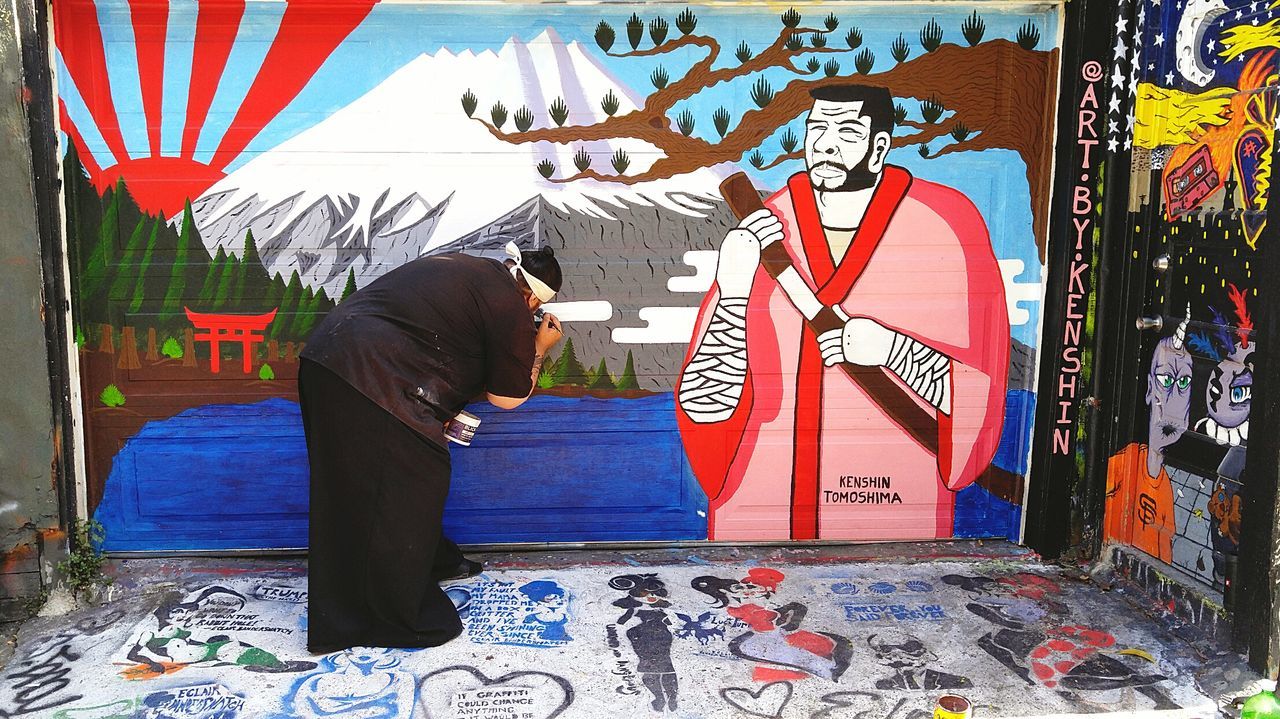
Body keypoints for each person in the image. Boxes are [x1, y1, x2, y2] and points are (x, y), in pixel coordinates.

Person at [675, 83, 1008, 541]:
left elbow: (981, 394)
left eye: (847, 131)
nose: (826, 144)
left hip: (891, 521)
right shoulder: (764, 226)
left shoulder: (946, 222)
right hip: (758, 517)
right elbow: (704, 404)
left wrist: (895, 350)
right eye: (817, 129)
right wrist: (732, 294)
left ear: (879, 147)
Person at [298, 243, 565, 653]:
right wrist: (540, 349)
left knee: (355, 490)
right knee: (411, 483)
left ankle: (433, 560)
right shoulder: (508, 305)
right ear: (534, 297)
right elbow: (508, 398)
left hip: (327, 362)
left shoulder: (467, 268)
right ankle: (387, 618)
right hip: (373, 378)